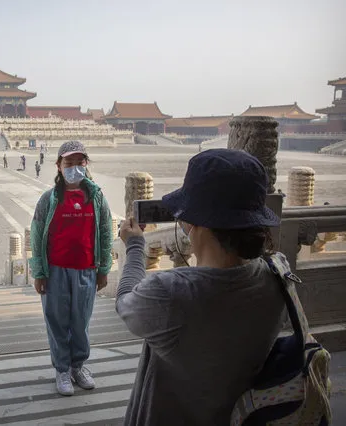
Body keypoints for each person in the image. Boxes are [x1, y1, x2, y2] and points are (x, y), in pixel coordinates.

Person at [116, 149, 285, 425]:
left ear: (196, 224)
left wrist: (135, 247)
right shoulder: (277, 274)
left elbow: (124, 303)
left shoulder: (171, 293)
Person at [29, 140, 112, 396]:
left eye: (80, 162)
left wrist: (104, 268)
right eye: (69, 163)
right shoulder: (49, 198)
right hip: (55, 271)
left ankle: (78, 366)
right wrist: (39, 272)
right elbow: (37, 232)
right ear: (59, 165)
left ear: (86, 165)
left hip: (86, 269)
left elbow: (106, 231)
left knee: (81, 322)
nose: (75, 167)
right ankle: (62, 369)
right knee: (57, 321)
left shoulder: (96, 196)